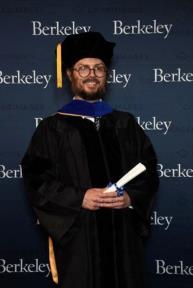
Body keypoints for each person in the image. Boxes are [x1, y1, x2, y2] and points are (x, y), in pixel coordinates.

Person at [21, 32, 158, 288]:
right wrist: (79, 197)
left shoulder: (125, 124)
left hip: (124, 241)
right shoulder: (52, 128)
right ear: (71, 74)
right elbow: (36, 179)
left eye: (99, 68)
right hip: (81, 242)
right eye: (83, 68)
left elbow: (148, 170)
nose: (91, 74)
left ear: (107, 75)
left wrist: (131, 198)